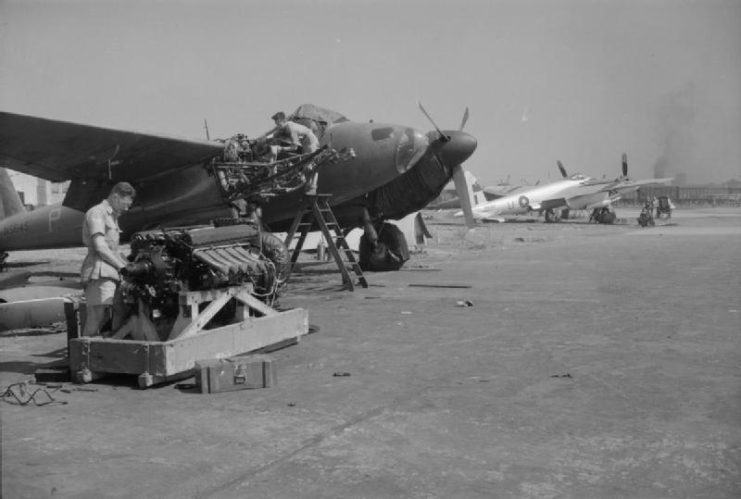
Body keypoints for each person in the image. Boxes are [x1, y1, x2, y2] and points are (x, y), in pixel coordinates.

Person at [80, 182, 136, 336]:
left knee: (121, 311)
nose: (126, 208)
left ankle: (111, 344)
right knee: (97, 316)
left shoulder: (112, 216)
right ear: (116, 197)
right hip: (99, 271)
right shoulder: (97, 213)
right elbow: (100, 246)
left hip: (111, 271)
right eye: (125, 204)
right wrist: (122, 267)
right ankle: (86, 354)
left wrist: (129, 264)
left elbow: (113, 250)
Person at [269, 111, 320, 195]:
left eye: (277, 122)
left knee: (310, 166)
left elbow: (294, 147)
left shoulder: (291, 129)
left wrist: (281, 149)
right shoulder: (287, 125)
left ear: (282, 121)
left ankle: (313, 187)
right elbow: (276, 133)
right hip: (306, 143)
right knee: (307, 166)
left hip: (310, 143)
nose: (276, 125)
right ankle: (308, 185)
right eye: (276, 123)